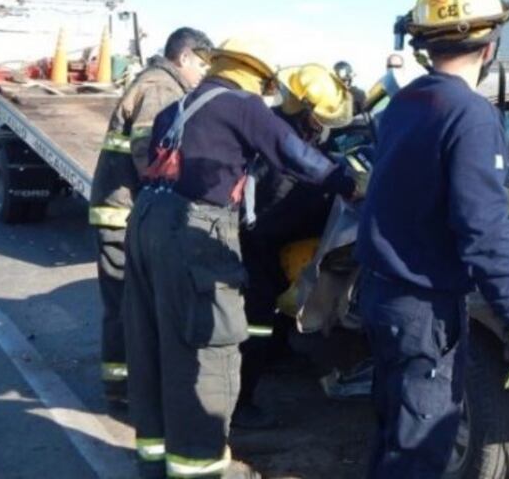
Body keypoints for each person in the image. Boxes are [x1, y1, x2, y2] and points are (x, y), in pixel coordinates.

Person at [123, 39, 358, 479]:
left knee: (156, 345)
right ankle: (200, 469)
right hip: (193, 230)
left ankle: (153, 463)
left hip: (146, 221)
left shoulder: (177, 107)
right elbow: (293, 154)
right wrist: (348, 182)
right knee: (206, 355)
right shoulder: (242, 105)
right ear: (257, 77)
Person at [356, 0, 509, 477]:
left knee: (395, 435)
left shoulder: (403, 105)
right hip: (424, 311)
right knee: (418, 451)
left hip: (383, 297)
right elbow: (483, 232)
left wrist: (498, 193)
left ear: (424, 46)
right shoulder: (472, 114)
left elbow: (416, 185)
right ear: (490, 45)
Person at [88, 27, 212, 404]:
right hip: (124, 214)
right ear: (184, 57)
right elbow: (151, 156)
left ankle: (123, 384)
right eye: (202, 65)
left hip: (121, 209)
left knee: (124, 301)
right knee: (126, 302)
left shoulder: (158, 82)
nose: (204, 74)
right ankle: (124, 388)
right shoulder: (161, 88)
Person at [235, 63, 355, 429]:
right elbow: (281, 206)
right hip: (252, 244)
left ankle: (276, 353)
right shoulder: (277, 140)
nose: (323, 128)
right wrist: (336, 193)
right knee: (254, 323)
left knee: (274, 307)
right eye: (320, 120)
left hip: (265, 240)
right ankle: (239, 404)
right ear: (303, 109)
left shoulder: (290, 130)